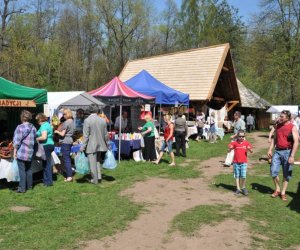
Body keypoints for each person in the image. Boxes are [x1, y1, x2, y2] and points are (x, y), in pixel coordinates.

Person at [267, 110, 299, 201]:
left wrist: (292, 156)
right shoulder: (278, 126)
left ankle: (283, 192)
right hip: (277, 151)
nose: (279, 118)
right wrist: (270, 149)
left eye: (282, 117)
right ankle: (277, 189)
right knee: (273, 171)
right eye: (279, 116)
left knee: (286, 173)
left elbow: (296, 142)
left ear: (287, 118)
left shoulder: (293, 127)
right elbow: (275, 138)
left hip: (287, 152)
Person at [80, 104, 108, 184]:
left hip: (91, 145)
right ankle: (99, 177)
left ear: (89, 111)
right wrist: (108, 144)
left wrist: (83, 146)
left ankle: (94, 180)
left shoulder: (87, 120)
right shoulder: (102, 120)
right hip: (101, 144)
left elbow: (85, 136)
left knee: (92, 163)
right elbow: (106, 134)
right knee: (97, 161)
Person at [13, 110, 37, 193]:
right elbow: (35, 139)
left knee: (22, 170)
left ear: (22, 117)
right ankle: (29, 186)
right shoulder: (33, 127)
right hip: (30, 151)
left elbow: (16, 141)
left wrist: (14, 152)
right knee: (29, 169)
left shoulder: (20, 127)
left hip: (21, 152)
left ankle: (22, 188)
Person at [228, 130, 253, 195]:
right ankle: (238, 188)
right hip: (236, 162)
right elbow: (229, 150)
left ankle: (243, 187)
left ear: (244, 136)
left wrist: (249, 149)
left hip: (244, 162)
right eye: (240, 136)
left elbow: (251, 151)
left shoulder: (246, 143)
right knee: (237, 176)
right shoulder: (234, 143)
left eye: (243, 136)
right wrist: (230, 148)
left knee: (243, 176)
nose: (241, 137)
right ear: (237, 136)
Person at [54, 108, 74, 182]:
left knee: (66, 159)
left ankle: (69, 176)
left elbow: (62, 134)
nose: (63, 116)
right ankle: (69, 174)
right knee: (67, 158)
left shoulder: (66, 122)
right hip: (70, 140)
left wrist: (56, 131)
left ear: (67, 114)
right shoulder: (72, 121)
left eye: (64, 114)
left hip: (65, 141)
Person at [36, 113, 55, 187]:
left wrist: (36, 139)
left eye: (37, 120)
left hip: (46, 145)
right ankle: (46, 180)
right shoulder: (48, 124)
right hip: (50, 144)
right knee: (46, 163)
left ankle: (49, 182)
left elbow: (44, 137)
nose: (37, 122)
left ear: (40, 119)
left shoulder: (43, 126)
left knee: (46, 164)